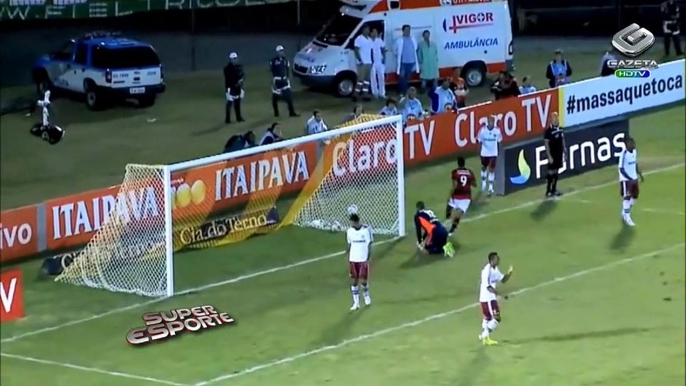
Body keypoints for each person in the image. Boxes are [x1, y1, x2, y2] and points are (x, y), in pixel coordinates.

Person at [478, 252, 514, 346]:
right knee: (497, 318)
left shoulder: (495, 269)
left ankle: (486, 339)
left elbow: (503, 280)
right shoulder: (487, 271)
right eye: (496, 259)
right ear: (492, 260)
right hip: (487, 299)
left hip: (490, 298)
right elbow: (488, 287)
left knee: (488, 318)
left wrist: (509, 273)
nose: (498, 260)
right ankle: (484, 336)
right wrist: (500, 295)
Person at [346, 213, 372, 311]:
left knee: (363, 280)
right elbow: (349, 244)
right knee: (354, 280)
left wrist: (368, 257)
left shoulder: (365, 231)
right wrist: (347, 253)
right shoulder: (349, 231)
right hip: (353, 259)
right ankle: (356, 303)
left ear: (354, 221)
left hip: (362, 259)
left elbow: (369, 244)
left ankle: (366, 295)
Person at [446, 156, 477, 236]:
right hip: (466, 197)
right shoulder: (470, 172)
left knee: (449, 206)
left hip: (456, 195)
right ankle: (452, 230)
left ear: (458, 163)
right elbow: (475, 184)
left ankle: (447, 219)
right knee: (459, 214)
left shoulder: (455, 172)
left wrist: (450, 194)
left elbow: (455, 185)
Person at [618, 137, 644, 227]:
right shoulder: (623, 154)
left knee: (635, 197)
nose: (633, 145)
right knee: (627, 197)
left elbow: (635, 163)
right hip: (626, 180)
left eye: (633, 143)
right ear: (627, 145)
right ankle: (627, 217)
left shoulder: (634, 152)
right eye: (631, 144)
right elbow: (621, 169)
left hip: (634, 178)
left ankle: (625, 211)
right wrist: (629, 178)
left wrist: (640, 174)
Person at [270, 45, 299, 118]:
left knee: (289, 97)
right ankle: (276, 113)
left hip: (284, 80)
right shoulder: (273, 61)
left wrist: (288, 78)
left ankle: (291, 112)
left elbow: (287, 69)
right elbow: (272, 71)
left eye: (282, 51)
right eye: (280, 51)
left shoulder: (285, 60)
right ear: (277, 52)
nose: (281, 52)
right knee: (275, 98)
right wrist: (273, 81)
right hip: (277, 81)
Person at [477, 115, 503, 196]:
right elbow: (479, 141)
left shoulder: (497, 131)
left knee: (492, 169)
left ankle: (490, 187)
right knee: (484, 167)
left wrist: (499, 151)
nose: (491, 123)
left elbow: (499, 141)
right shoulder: (483, 131)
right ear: (487, 122)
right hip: (484, 152)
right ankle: (484, 182)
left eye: (492, 121)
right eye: (489, 121)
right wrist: (479, 151)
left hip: (493, 153)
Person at [543, 112, 566, 197]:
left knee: (556, 171)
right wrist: (549, 156)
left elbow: (562, 140)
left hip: (559, 154)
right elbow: (546, 144)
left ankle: (554, 189)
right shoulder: (548, 131)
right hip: (553, 154)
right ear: (551, 119)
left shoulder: (560, 129)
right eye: (554, 118)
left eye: (557, 118)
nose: (556, 120)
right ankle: (548, 190)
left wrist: (564, 150)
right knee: (551, 171)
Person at [394, 25, 418, 96]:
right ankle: (401, 91)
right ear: (403, 31)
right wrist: (399, 57)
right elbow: (395, 50)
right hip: (403, 62)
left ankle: (405, 91)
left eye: (409, 30)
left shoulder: (413, 39)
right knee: (402, 77)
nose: (408, 31)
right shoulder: (399, 40)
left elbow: (415, 48)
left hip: (411, 62)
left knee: (407, 78)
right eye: (406, 30)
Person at [353, 25, 373, 102]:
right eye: (367, 29)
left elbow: (370, 50)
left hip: (369, 62)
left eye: (368, 29)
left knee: (367, 80)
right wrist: (360, 60)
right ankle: (356, 94)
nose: (368, 31)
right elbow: (356, 50)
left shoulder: (369, 39)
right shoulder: (359, 39)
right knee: (360, 80)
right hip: (362, 63)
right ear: (363, 30)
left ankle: (365, 94)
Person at [224, 52, 245, 123]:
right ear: (230, 60)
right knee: (229, 103)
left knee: (237, 103)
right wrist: (236, 81)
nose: (235, 60)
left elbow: (242, 74)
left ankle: (238, 117)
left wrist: (241, 80)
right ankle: (227, 119)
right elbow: (229, 78)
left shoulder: (239, 66)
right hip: (230, 87)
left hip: (237, 87)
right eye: (233, 59)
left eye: (235, 58)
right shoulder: (227, 68)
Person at [369, 28, 387, 99]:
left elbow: (383, 49)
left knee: (381, 77)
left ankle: (382, 93)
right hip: (371, 62)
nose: (375, 33)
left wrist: (384, 58)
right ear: (370, 33)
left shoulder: (379, 40)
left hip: (379, 61)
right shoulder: (368, 41)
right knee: (373, 77)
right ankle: (375, 93)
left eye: (376, 32)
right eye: (374, 32)